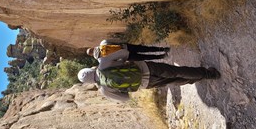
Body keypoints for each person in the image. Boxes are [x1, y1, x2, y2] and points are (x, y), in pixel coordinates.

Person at [78, 48, 220, 102]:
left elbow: (125, 98)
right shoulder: (103, 63)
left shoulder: (104, 90)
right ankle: (208, 74)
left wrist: (125, 84)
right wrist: (122, 62)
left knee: (173, 80)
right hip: (146, 68)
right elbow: (123, 53)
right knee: (175, 71)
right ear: (90, 70)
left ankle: (198, 77)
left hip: (145, 84)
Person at [87, 39, 170, 61]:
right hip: (126, 47)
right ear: (93, 47)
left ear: (91, 55)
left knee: (145, 57)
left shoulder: (100, 59)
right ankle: (163, 49)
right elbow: (118, 41)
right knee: (145, 49)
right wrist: (126, 42)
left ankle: (162, 56)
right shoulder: (103, 43)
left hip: (126, 56)